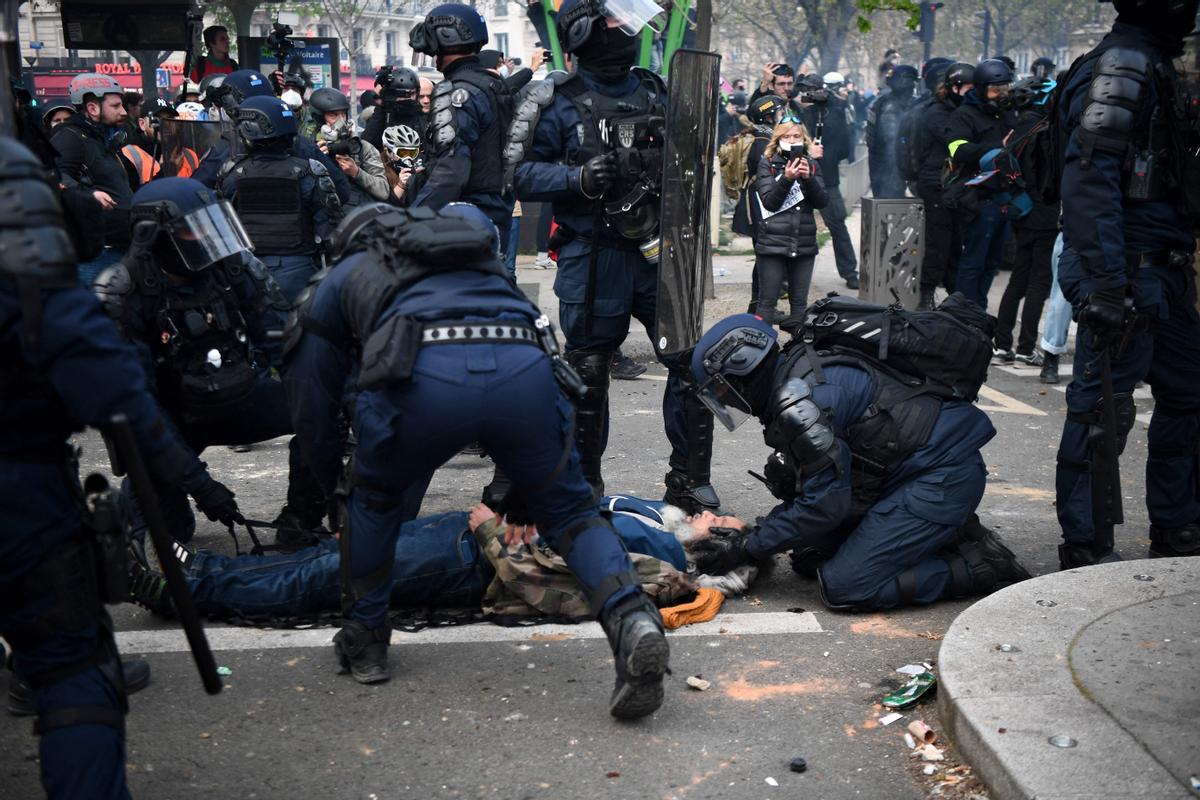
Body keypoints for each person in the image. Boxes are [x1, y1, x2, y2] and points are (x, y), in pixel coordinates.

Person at [283, 202, 673, 719]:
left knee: (373, 502)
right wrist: (523, 492)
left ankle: (366, 638)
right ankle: (631, 617)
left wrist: (329, 475)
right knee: (574, 514)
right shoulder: (491, 275)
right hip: (522, 376)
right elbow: (550, 367)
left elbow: (311, 394)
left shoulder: (349, 270)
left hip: (422, 381)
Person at [0, 137, 239, 800]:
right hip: (20, 497)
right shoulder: (44, 294)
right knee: (76, 670)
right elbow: (124, 410)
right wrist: (204, 486)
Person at [507, 0, 721, 513]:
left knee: (692, 364)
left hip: (656, 251)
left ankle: (690, 480)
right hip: (593, 252)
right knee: (588, 370)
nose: (627, 29)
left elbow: (692, 154)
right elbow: (514, 173)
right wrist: (575, 178)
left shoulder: (653, 88)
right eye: (614, 21)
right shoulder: (552, 99)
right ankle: (583, 489)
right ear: (583, 32)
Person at [687, 314, 1030, 610]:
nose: (728, 400)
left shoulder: (800, 402)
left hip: (941, 478)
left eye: (725, 390)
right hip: (909, 473)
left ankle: (980, 563)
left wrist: (749, 545)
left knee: (845, 587)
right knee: (809, 551)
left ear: (744, 368)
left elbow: (824, 505)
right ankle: (947, 535)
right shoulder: (796, 372)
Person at [93, 178, 327, 545]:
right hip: (171, 422)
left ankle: (300, 520)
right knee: (167, 538)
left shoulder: (233, 269)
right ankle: (126, 506)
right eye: (193, 231)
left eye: (211, 224)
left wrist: (331, 388)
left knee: (322, 408)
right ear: (156, 235)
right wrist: (201, 485)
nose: (208, 238)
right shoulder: (122, 294)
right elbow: (139, 410)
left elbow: (285, 341)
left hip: (235, 397)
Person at [1053, 0, 1200, 567]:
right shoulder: (1121, 66)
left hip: (1163, 267)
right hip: (1125, 270)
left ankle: (1179, 522)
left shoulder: (1153, 62)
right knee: (1100, 412)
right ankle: (1086, 546)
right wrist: (1108, 285)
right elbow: (1090, 181)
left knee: (1188, 395)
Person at [128, 494, 746, 621]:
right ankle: (194, 574)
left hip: (469, 557)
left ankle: (184, 590)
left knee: (323, 577)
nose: (711, 511)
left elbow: (549, 579)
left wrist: (490, 533)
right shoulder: (653, 519)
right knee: (328, 557)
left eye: (721, 521)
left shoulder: (656, 552)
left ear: (709, 541)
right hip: (466, 535)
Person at [215, 94, 343, 304]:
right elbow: (331, 233)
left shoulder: (231, 174)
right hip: (300, 273)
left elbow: (222, 234)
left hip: (247, 274)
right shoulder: (310, 172)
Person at [408, 4, 515, 248]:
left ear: (447, 39)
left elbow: (451, 171)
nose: (432, 54)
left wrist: (412, 219)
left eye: (434, 46)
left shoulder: (456, 91)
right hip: (496, 211)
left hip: (462, 219)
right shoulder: (493, 85)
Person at [192, 69, 352, 206]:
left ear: (232, 107)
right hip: (299, 238)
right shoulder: (302, 144)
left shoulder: (226, 148)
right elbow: (341, 192)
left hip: (244, 239)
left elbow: (194, 197)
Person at [991, 76, 1060, 365]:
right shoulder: (1048, 130)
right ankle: (1025, 347)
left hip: (1022, 209)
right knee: (1039, 283)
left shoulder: (1018, 127)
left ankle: (1002, 344)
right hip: (1045, 213)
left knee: (1018, 278)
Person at [945, 59, 1017, 310]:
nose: (1002, 95)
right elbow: (957, 149)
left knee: (992, 262)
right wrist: (994, 150)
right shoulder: (964, 115)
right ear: (981, 88)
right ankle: (962, 314)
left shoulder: (1007, 113)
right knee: (973, 261)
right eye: (996, 90)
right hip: (977, 200)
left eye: (1005, 89)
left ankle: (979, 310)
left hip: (1003, 197)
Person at [52, 73, 135, 286]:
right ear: (92, 108)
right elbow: (54, 175)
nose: (123, 112)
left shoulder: (100, 140)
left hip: (120, 247)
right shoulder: (70, 137)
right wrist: (90, 195)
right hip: (97, 255)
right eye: (116, 106)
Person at [750, 120, 828, 324]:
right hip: (772, 244)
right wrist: (786, 178)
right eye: (786, 136)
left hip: (803, 244)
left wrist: (808, 178)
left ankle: (797, 352)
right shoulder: (767, 163)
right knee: (767, 303)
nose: (792, 140)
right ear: (778, 139)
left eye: (796, 137)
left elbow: (822, 201)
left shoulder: (811, 164)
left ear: (804, 140)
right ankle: (764, 351)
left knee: (800, 305)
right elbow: (769, 203)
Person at [911, 62, 973, 310]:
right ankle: (925, 297)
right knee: (938, 244)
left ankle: (954, 296)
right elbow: (955, 142)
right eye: (969, 88)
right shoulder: (937, 112)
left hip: (953, 183)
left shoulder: (957, 109)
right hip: (935, 183)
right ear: (955, 87)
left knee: (955, 243)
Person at [732, 95, 788, 313]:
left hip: (759, 206)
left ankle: (759, 306)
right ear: (768, 116)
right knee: (766, 259)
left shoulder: (763, 138)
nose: (782, 116)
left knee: (765, 259)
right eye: (779, 113)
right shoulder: (763, 143)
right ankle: (760, 308)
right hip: (759, 208)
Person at [803, 72, 859, 289]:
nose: (808, 95)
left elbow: (845, 144)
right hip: (800, 174)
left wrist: (830, 99)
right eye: (805, 90)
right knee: (793, 227)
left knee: (837, 225)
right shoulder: (799, 111)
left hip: (827, 177)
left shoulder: (835, 111)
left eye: (813, 90)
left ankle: (849, 272)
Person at [309, 87, 390, 207]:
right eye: (333, 115)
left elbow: (383, 191)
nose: (341, 121)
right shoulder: (309, 148)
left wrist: (356, 172)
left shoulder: (363, 148)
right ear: (320, 119)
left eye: (343, 114)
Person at [865, 64, 917, 198]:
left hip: (890, 167)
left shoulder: (880, 103)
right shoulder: (885, 105)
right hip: (887, 167)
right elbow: (887, 142)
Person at [362, 66, 424, 151]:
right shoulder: (385, 114)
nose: (406, 99)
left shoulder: (423, 118)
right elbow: (367, 145)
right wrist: (381, 105)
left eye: (412, 94)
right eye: (401, 94)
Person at [380, 123, 423, 206]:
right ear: (387, 149)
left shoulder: (415, 166)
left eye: (412, 153)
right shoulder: (378, 168)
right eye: (403, 152)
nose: (408, 158)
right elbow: (381, 207)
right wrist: (401, 186)